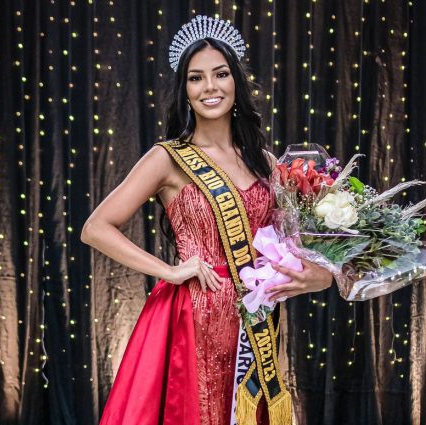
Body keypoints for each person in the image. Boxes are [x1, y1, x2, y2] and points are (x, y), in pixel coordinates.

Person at [80, 15, 333, 425]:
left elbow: (296, 245)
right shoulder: (168, 158)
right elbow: (96, 228)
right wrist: (169, 270)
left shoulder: (264, 162)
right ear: (185, 90)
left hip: (253, 321)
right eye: (196, 78)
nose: (210, 87)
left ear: (236, 82)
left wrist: (322, 276)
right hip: (189, 317)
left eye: (221, 74)